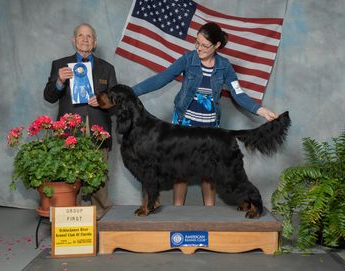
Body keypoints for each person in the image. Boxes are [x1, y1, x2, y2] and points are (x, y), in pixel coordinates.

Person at [132, 22, 278, 207]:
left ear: (217, 46)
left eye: (204, 45)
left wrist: (260, 110)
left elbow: (238, 93)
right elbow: (162, 77)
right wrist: (132, 91)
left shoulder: (224, 66)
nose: (199, 48)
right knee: (180, 171)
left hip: (209, 126)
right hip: (184, 123)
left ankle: (209, 212)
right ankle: (178, 211)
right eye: (197, 43)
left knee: (210, 171)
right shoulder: (188, 59)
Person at [44, 23, 117, 219]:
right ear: (73, 39)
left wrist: (102, 102)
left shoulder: (107, 68)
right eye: (81, 36)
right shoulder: (60, 65)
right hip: (69, 129)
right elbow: (49, 96)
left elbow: (117, 102)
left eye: (89, 36)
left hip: (97, 128)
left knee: (98, 174)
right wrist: (59, 81)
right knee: (69, 173)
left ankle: (102, 215)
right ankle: (71, 217)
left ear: (95, 42)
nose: (85, 39)